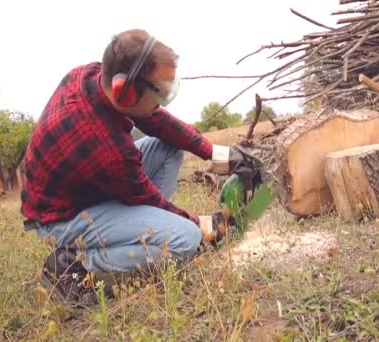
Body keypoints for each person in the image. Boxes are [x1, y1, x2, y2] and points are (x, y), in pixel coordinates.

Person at [20, 28, 258, 306]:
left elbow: (157, 121)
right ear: (127, 91)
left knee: (169, 148)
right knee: (187, 240)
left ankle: (144, 230)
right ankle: (75, 263)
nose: (162, 100)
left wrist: (220, 155)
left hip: (86, 189)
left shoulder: (91, 75)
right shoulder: (108, 149)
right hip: (61, 218)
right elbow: (145, 195)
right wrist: (202, 224)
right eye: (162, 92)